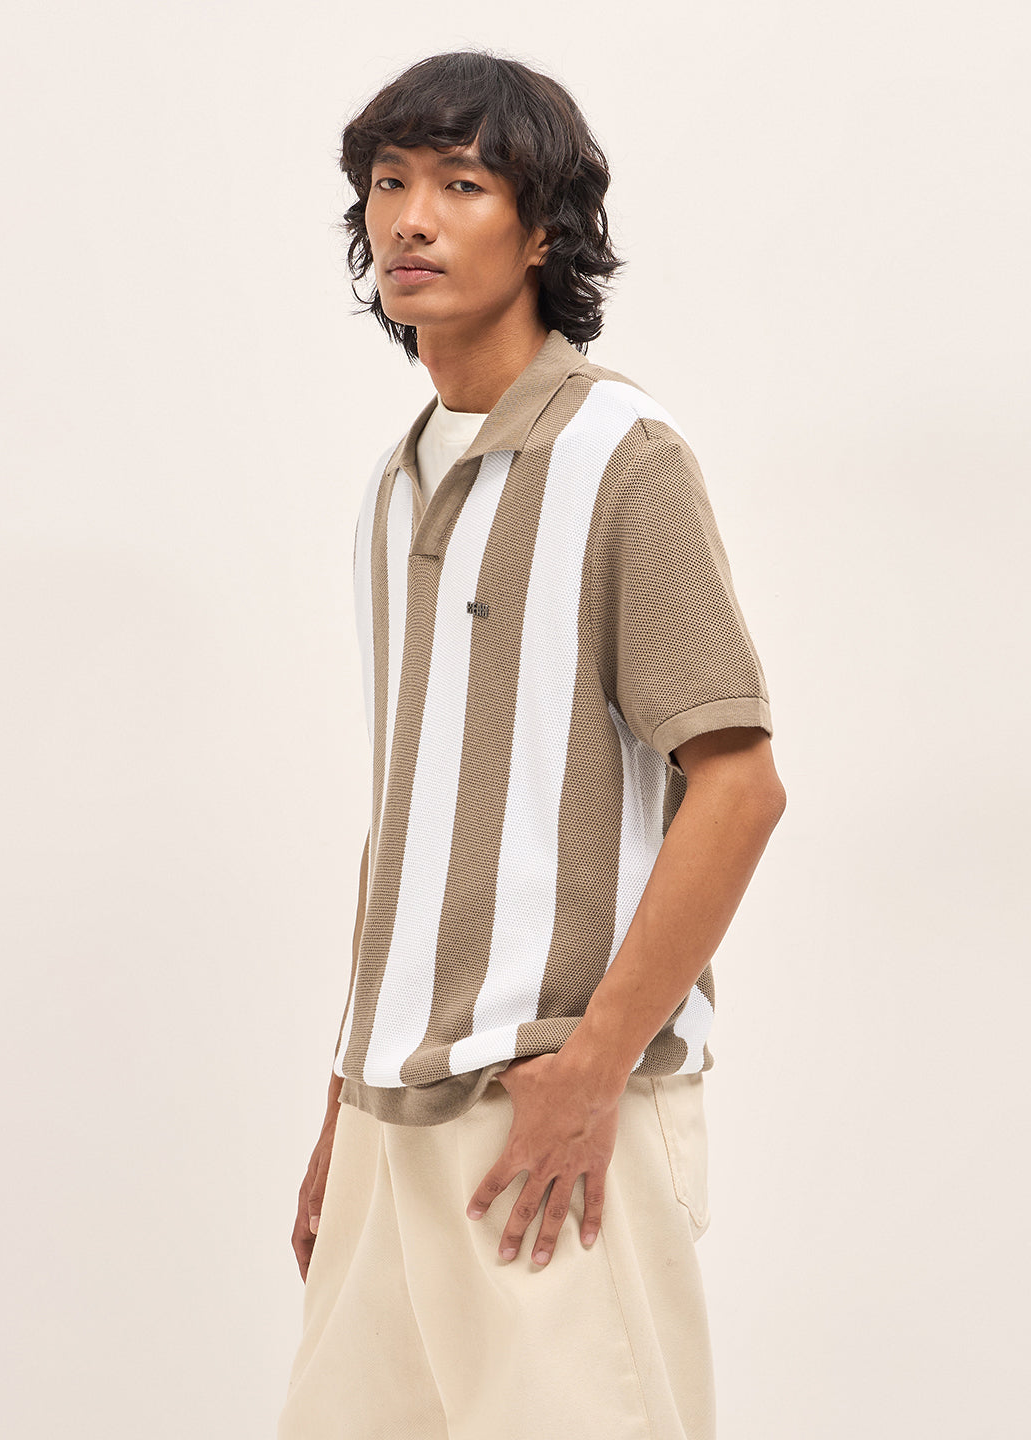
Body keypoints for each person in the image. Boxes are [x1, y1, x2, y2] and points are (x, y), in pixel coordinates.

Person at [278, 48, 786, 1440]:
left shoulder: (626, 457)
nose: (410, 219)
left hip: (549, 1109)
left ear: (544, 230)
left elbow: (740, 787)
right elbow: (414, 819)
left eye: (461, 184)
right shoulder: (398, 484)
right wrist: (345, 1100)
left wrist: (595, 1070)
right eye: (389, 184)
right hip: (393, 1108)